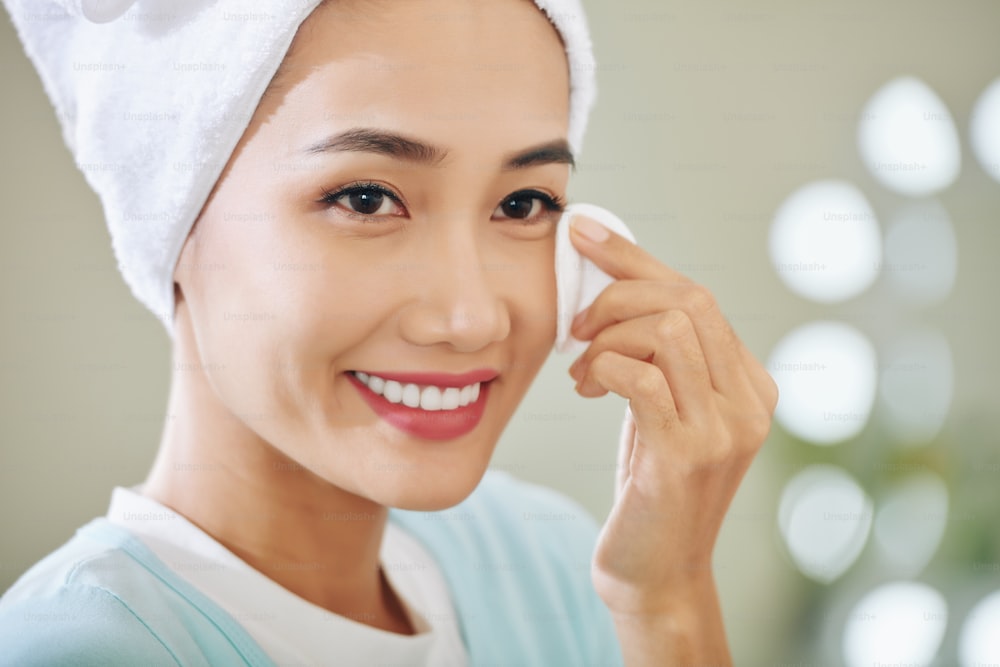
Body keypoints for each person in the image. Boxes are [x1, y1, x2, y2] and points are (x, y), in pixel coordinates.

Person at [0, 0, 778, 664]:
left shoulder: (548, 564)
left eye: (522, 204)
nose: (471, 318)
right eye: (368, 199)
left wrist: (668, 600)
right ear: (170, 215)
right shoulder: (79, 649)